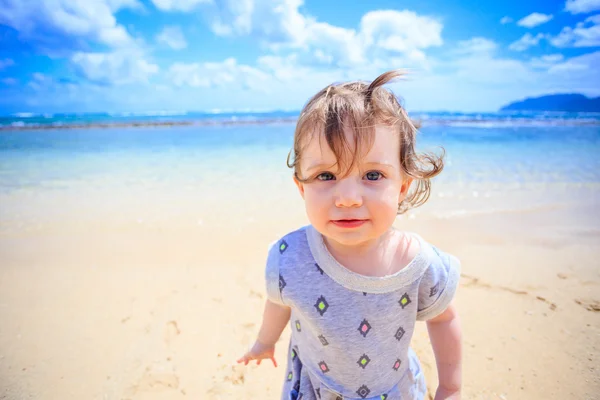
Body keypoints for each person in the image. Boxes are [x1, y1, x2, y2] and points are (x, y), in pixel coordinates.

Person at [237, 70, 462, 400]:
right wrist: (264, 342)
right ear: (301, 188)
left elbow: (444, 320)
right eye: (326, 175)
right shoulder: (291, 256)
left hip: (391, 389)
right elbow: (280, 301)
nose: (347, 197)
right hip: (317, 386)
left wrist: (451, 387)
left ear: (402, 186)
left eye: (372, 174)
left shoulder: (419, 265)